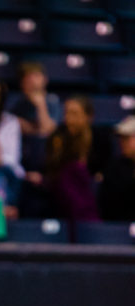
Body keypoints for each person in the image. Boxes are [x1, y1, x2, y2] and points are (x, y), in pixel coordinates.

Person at [44, 96, 113, 224]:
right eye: (66, 113)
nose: (69, 119)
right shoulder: (58, 136)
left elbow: (106, 167)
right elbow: (51, 168)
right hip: (64, 192)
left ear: (89, 116)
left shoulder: (101, 137)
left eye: (74, 114)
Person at [9, 61, 62, 175]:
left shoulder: (52, 101)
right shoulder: (17, 105)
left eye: (36, 76)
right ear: (22, 83)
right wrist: (37, 130)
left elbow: (48, 130)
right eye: (28, 77)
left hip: (47, 163)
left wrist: (40, 105)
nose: (32, 81)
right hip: (22, 162)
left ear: (45, 79)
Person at [99, 115, 135, 221]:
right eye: (121, 138)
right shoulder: (113, 168)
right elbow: (109, 205)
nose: (122, 142)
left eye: (127, 138)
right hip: (119, 228)